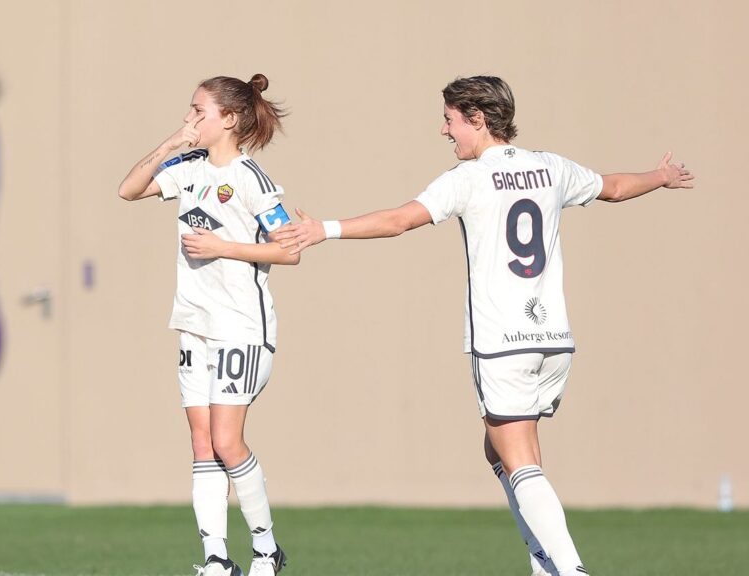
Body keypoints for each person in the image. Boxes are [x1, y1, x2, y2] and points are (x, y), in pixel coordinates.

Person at [273, 75, 694, 576]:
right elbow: (617, 187)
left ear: (478, 119)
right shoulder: (549, 167)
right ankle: (544, 563)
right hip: (553, 342)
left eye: (450, 120)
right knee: (500, 450)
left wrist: (326, 229)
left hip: (502, 343)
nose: (444, 131)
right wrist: (661, 176)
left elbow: (400, 220)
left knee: (519, 462)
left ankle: (569, 569)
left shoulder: (468, 178)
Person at [118, 74, 297, 576]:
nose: (190, 117)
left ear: (230, 119)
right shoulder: (189, 166)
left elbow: (289, 250)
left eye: (199, 111)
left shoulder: (251, 178)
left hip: (241, 327)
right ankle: (216, 559)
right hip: (194, 324)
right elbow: (128, 190)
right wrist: (173, 142)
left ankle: (266, 550)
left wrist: (224, 248)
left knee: (226, 442)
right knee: (201, 444)